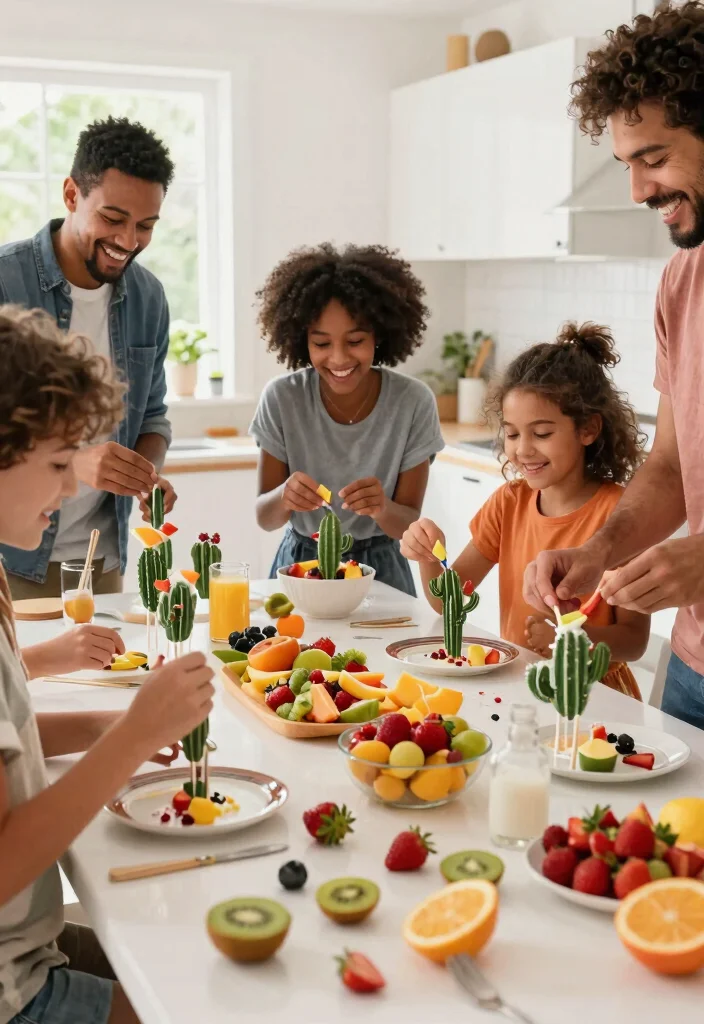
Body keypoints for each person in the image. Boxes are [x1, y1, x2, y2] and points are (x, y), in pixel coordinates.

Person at [0, 304, 214, 1024]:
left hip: (28, 948)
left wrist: (115, 723)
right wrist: (127, 742)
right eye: (59, 465)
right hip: (13, 990)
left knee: (189, 953)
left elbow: (13, 739)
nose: (70, 491)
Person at [523, 1, 704, 729]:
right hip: (692, 666)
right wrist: (599, 550)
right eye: (627, 165)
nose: (638, 191)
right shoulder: (682, 282)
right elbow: (669, 467)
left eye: (654, 159)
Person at [402, 322, 649, 697]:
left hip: (596, 694)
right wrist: (427, 556)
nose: (522, 450)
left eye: (542, 433)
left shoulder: (622, 517)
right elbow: (446, 602)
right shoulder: (509, 503)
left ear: (588, 429)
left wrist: (572, 639)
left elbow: (634, 640)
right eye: (513, 433)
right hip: (519, 684)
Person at [0, 116, 177, 600]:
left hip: (102, 560)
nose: (128, 241)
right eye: (113, 218)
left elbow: (154, 417)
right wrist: (70, 463)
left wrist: (145, 474)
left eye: (146, 225)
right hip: (9, 557)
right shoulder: (4, 283)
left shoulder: (149, 298)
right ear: (72, 195)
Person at [250, 243, 444, 595]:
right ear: (301, 340)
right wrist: (284, 496)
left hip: (383, 567)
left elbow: (408, 525)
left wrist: (382, 508)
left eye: (355, 340)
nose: (338, 358)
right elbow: (265, 518)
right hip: (300, 564)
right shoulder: (282, 398)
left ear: (379, 336)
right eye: (321, 344)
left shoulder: (413, 402)